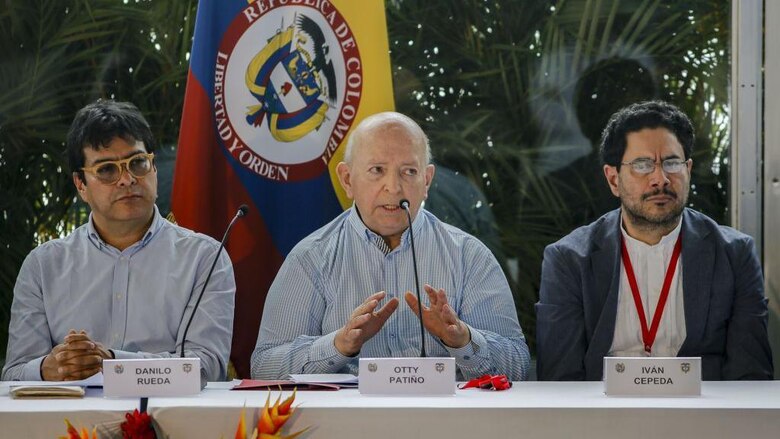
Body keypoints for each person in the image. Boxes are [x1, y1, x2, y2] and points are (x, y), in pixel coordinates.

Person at [251, 112, 529, 380]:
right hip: (348, 426)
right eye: (377, 170)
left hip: (445, 424)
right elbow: (264, 366)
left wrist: (462, 340)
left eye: (408, 171)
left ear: (427, 180)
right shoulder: (310, 258)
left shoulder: (469, 256)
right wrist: (339, 345)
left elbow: (518, 365)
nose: (393, 187)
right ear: (347, 180)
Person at [536, 101, 773, 381]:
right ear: (613, 179)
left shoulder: (734, 255)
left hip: (701, 415)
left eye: (672, 163)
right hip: (602, 417)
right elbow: (559, 382)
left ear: (688, 169)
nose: (660, 179)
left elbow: (750, 378)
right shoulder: (569, 259)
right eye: (642, 165)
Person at [2, 100, 235, 382]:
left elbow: (206, 367)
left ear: (154, 168)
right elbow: (14, 374)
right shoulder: (43, 266)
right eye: (107, 170)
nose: (127, 179)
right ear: (80, 185)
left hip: (168, 422)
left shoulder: (204, 258)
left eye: (137, 164)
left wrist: (112, 362)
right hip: (64, 424)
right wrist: (49, 368)